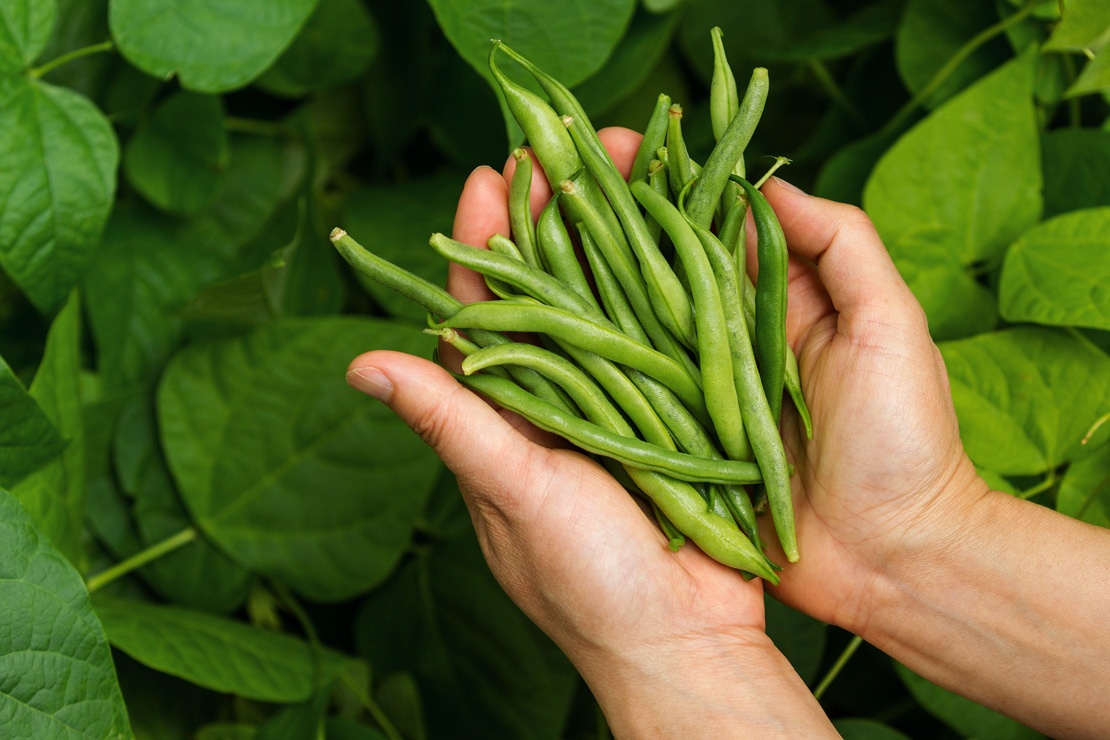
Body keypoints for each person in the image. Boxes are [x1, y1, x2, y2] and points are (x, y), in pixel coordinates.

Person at [345, 128, 1110, 739]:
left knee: (644, 314)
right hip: (743, 487)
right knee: (625, 326)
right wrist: (915, 536)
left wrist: (676, 657)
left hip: (743, 487)